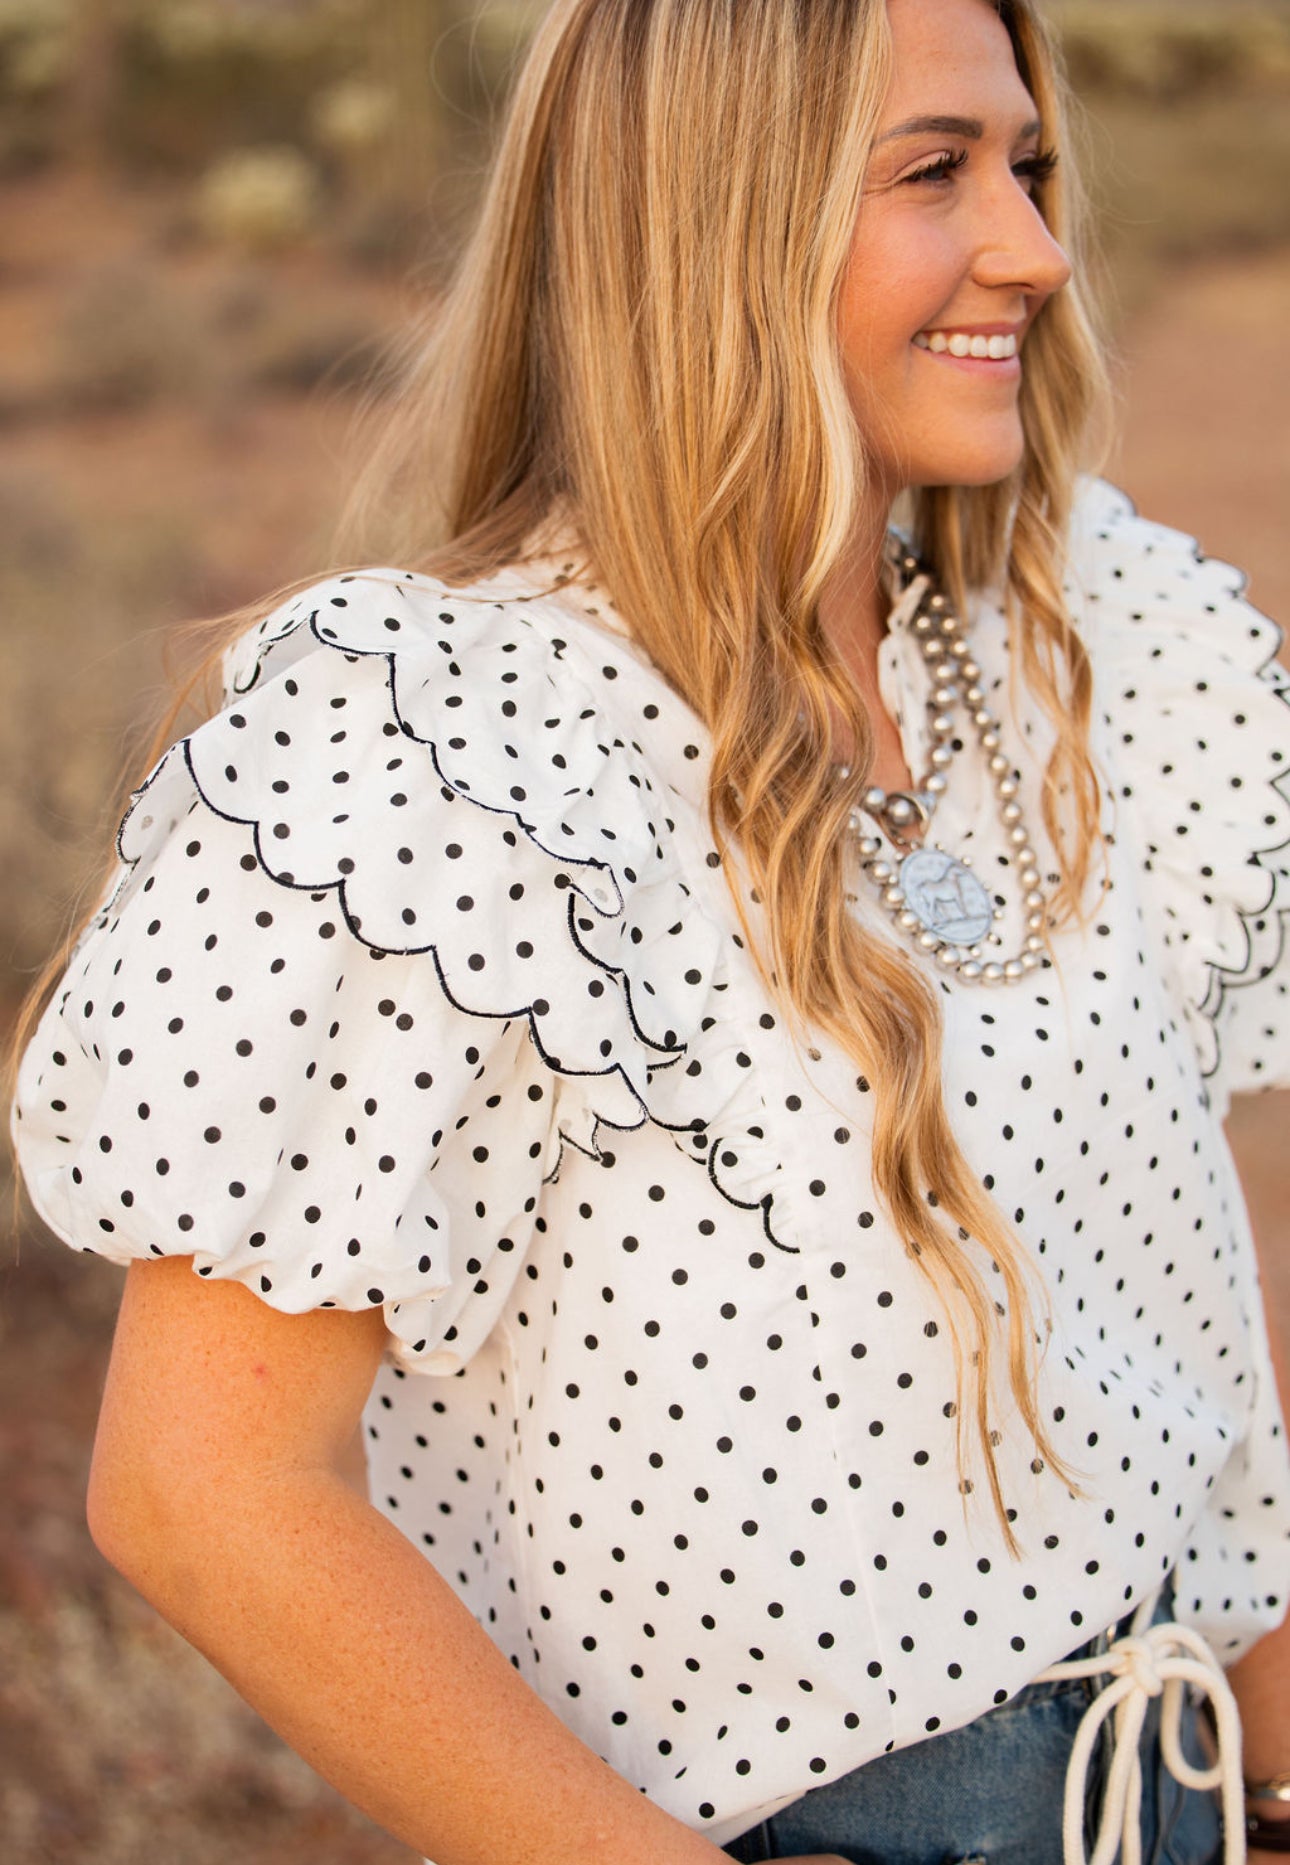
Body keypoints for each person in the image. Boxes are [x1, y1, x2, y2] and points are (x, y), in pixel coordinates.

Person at [10, 0, 1290, 1860]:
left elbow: (1169, 1346)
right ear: (711, 219)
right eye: (933, 172)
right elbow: (206, 1491)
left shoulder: (1090, 641)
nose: (1028, 244)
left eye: (1026, 164)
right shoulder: (426, 732)